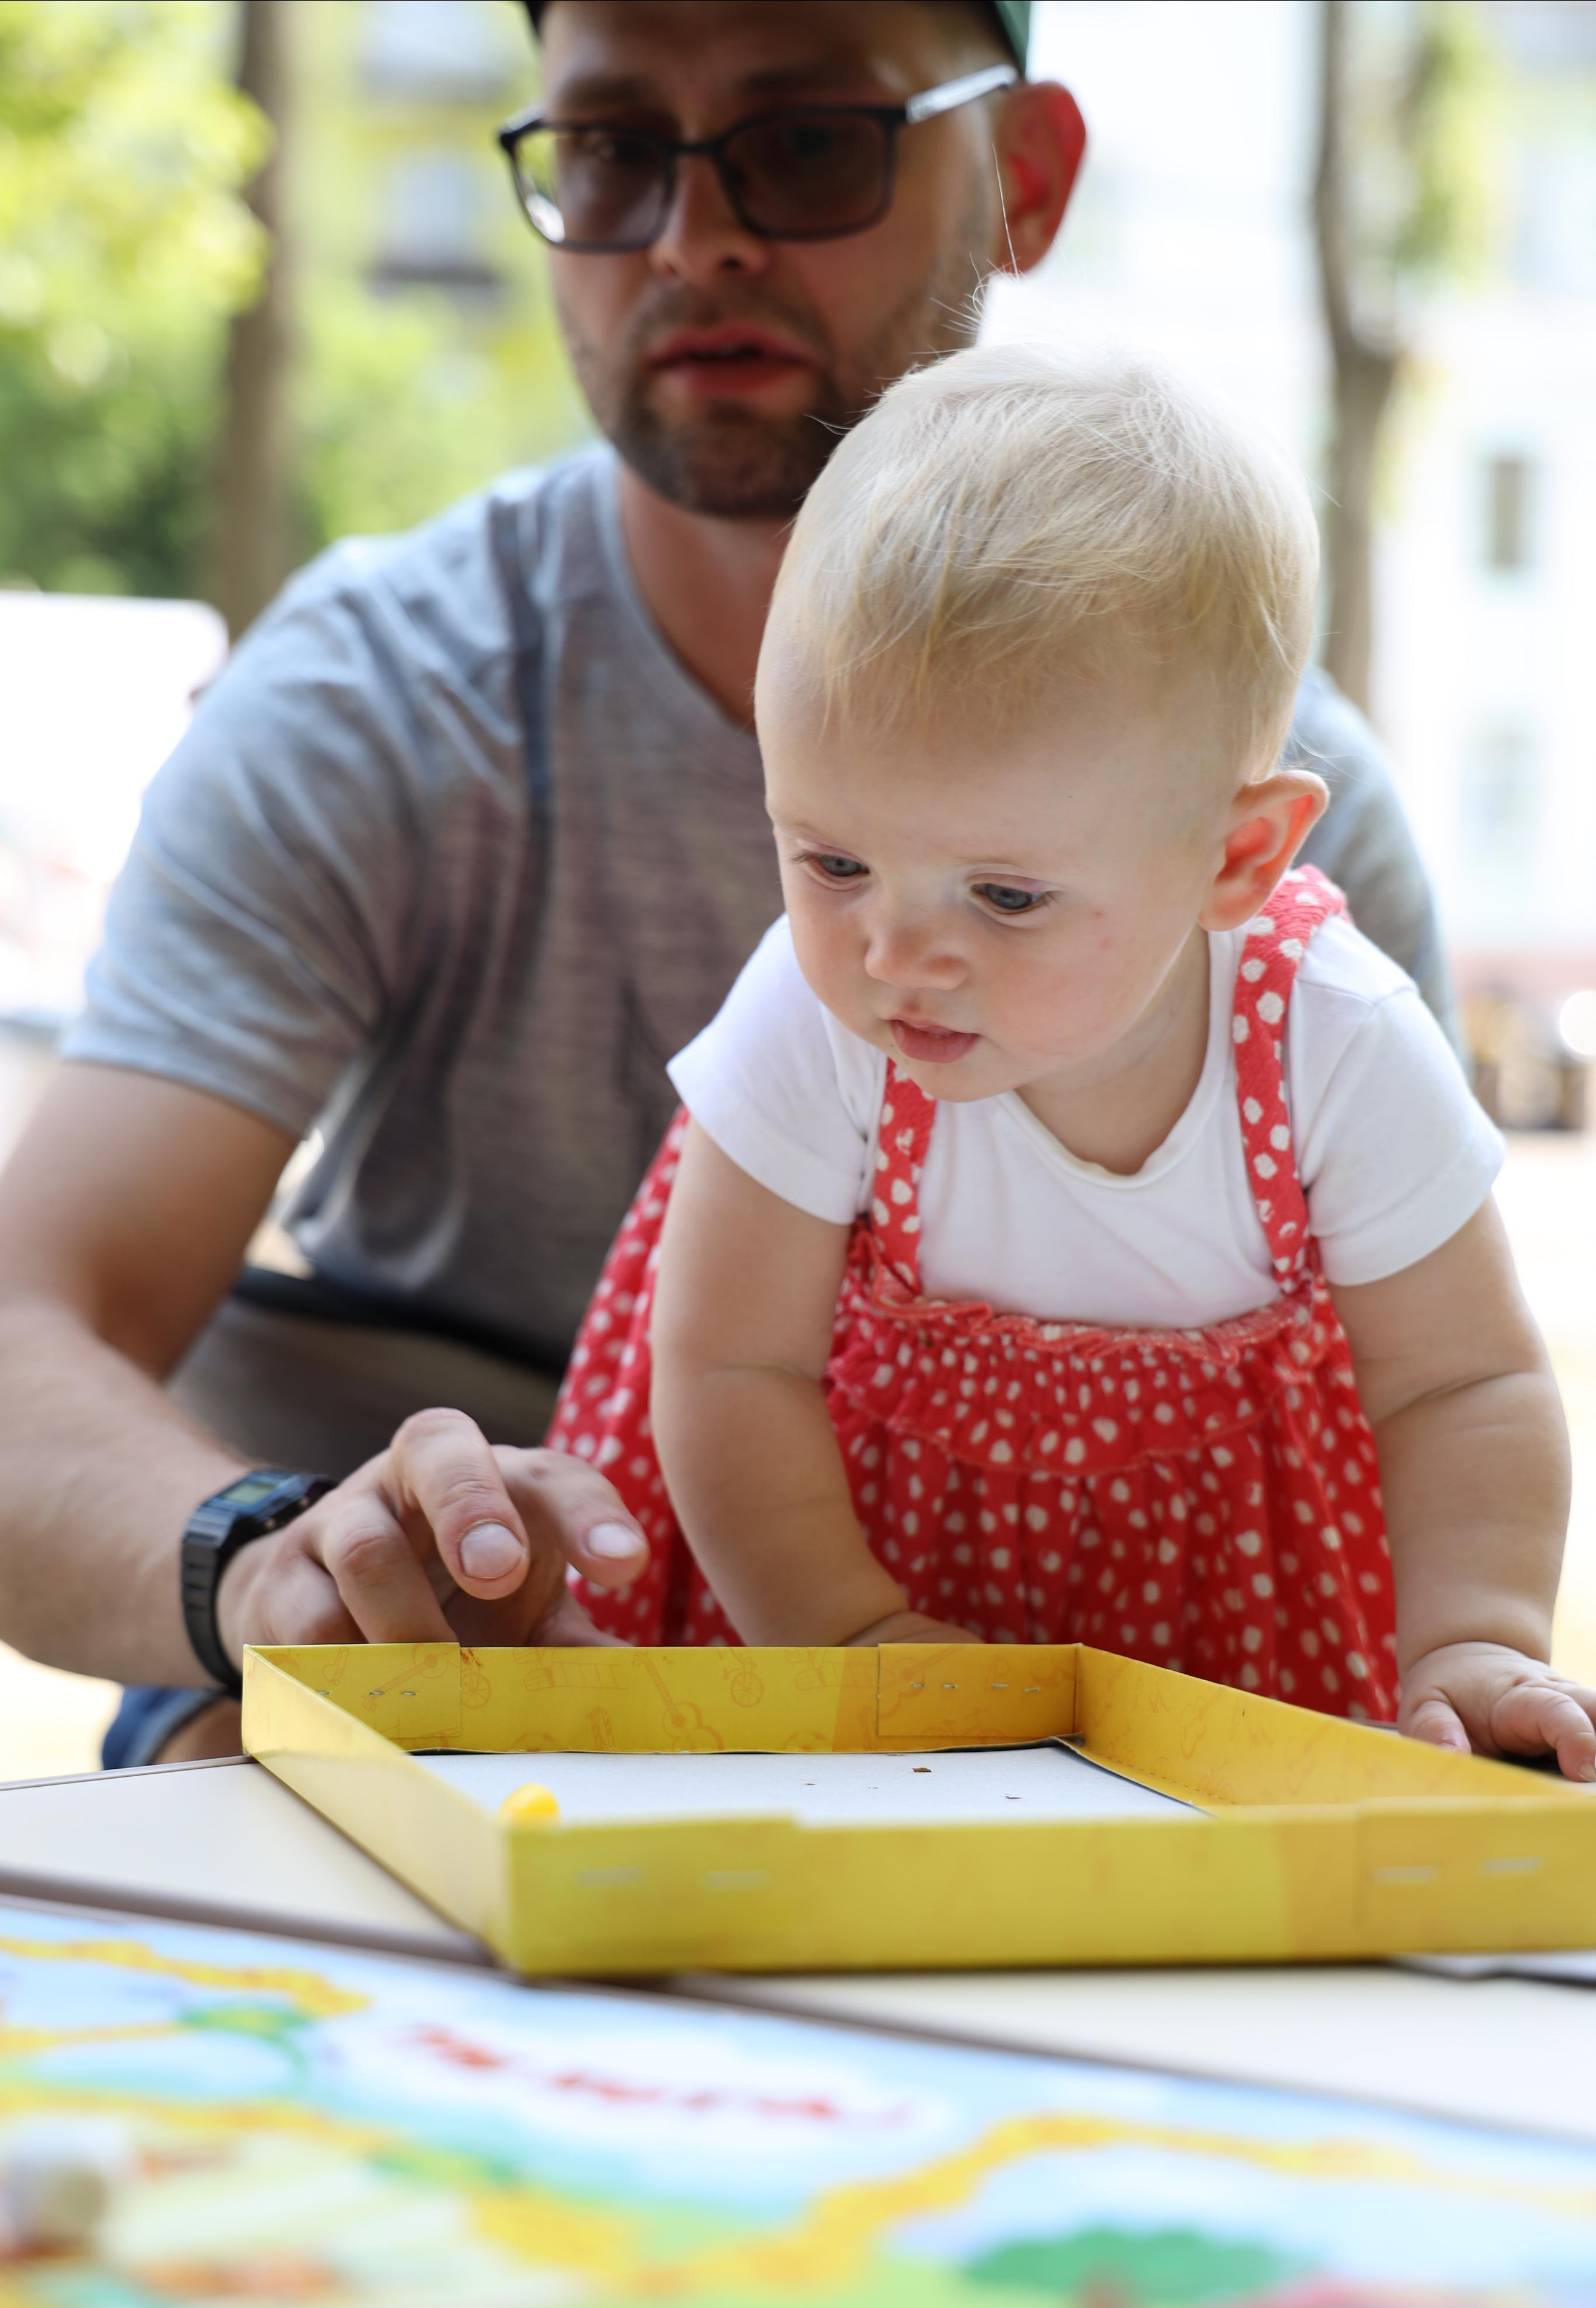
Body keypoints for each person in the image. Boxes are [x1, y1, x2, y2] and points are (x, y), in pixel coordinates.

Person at [0, 0, 1454, 1766]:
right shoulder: (378, 697)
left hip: (1057, 1672)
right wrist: (275, 1565)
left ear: (1026, 174)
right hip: (405, 1637)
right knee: (263, 1768)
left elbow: (1429, 1394)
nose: (695, 237)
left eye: (810, 140)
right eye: (612, 150)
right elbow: (27, 1334)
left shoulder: (1282, 829)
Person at [550, 347, 1595, 1779]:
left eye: (1004, 895)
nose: (894, 953)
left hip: (1224, 1656)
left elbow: (1459, 1386)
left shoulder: (1331, 1042)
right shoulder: (815, 1018)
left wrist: (1473, 1639)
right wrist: (848, 1634)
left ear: (1234, 857)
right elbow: (729, 1365)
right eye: (833, 860)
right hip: (840, 1602)